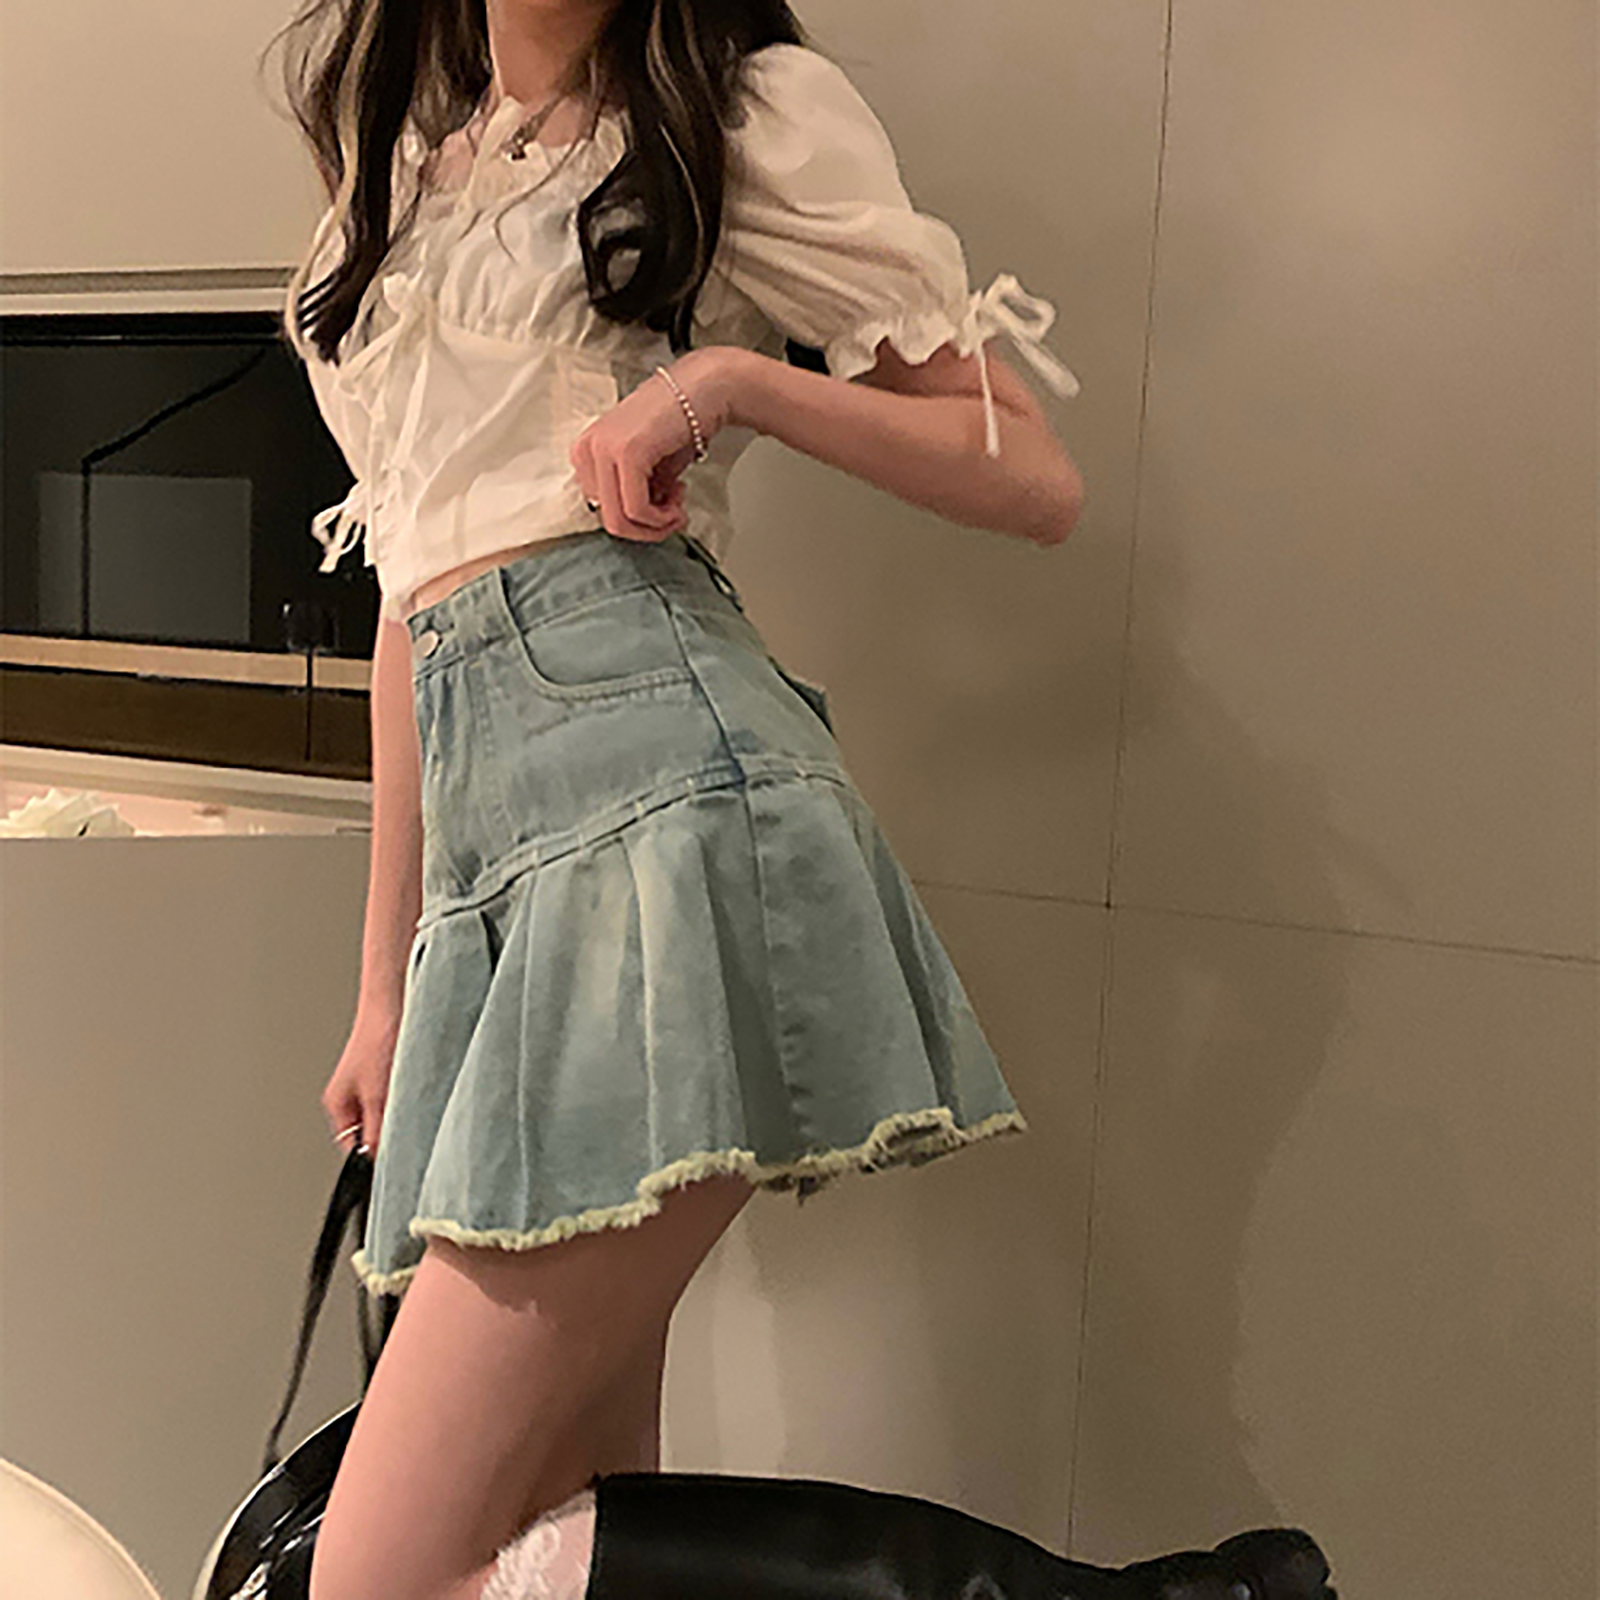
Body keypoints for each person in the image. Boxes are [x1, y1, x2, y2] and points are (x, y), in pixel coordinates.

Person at [273, 3, 1336, 1599]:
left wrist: (732, 385)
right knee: (568, 1528)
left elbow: (1028, 472)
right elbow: (411, 594)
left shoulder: (734, 112)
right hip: (498, 853)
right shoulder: (411, 178)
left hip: (657, 793)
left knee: (379, 1576)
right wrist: (384, 989)